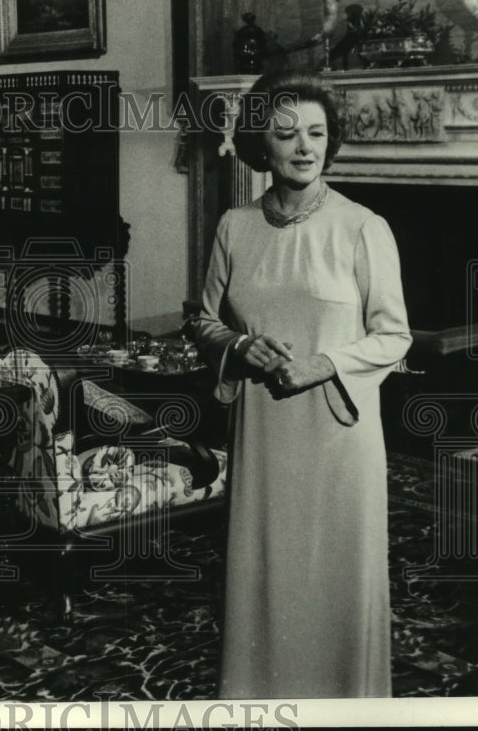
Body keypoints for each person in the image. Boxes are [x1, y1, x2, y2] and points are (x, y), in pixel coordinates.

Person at [189, 70, 412, 698]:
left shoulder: (364, 227)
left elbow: (394, 336)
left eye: (316, 132)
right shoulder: (234, 226)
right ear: (262, 141)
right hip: (263, 433)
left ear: (330, 140)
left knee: (336, 580)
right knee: (265, 574)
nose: (303, 146)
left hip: (338, 437)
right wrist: (239, 344)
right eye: (286, 133)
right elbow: (203, 322)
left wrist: (326, 363)